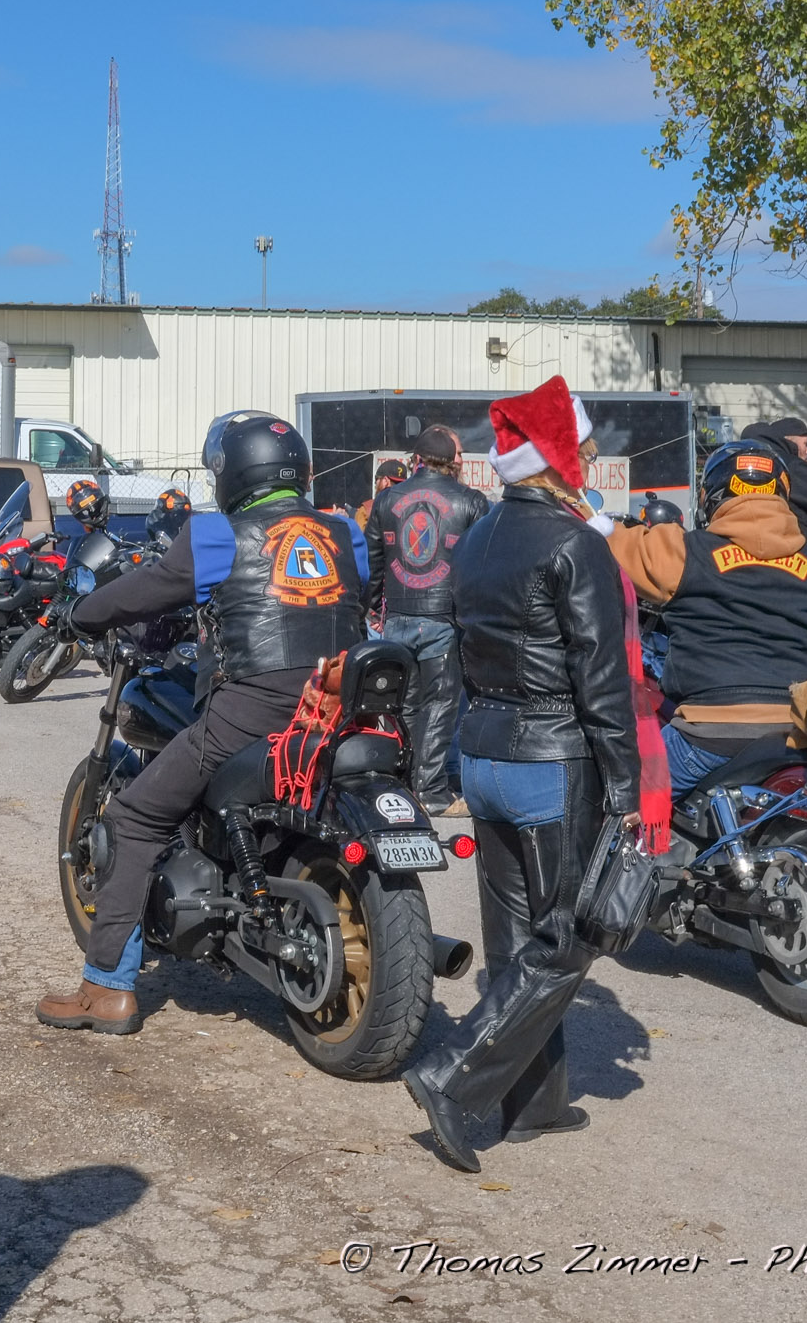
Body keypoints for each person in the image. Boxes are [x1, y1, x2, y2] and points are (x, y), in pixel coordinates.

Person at [34, 412, 367, 1034]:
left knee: (134, 816)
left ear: (232, 473)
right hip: (337, 705)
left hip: (256, 710)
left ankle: (105, 989)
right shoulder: (346, 532)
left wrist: (82, 614)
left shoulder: (218, 534)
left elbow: (146, 589)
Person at [403, 375, 645, 1173]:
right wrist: (625, 788)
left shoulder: (476, 536)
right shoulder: (577, 544)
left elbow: (459, 653)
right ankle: (452, 1076)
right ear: (559, 456)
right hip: (551, 759)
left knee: (516, 942)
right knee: (568, 939)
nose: (592, 463)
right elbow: (602, 680)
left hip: (484, 753)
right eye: (585, 451)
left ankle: (535, 1102)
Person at [606, 440, 807, 795]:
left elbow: (609, 544)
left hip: (708, 732)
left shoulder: (684, 553)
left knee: (617, 797)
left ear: (712, 496)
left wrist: (567, 501)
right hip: (795, 733)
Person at [363, 423, 488, 815]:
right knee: (439, 706)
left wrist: (372, 608)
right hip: (444, 621)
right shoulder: (471, 501)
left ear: (417, 459)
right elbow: (481, 566)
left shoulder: (386, 500)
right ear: (452, 461)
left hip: (397, 618)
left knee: (404, 705)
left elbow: (373, 561)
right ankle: (431, 791)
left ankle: (403, 784)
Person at [744, 416, 807, 535]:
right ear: (789, 441)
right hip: (792, 542)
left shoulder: (756, 458)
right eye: (805, 444)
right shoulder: (785, 464)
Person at [354, 457, 407, 529]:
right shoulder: (412, 508)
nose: (376, 485)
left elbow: (359, 535)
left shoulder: (366, 510)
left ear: (385, 481)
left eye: (376, 480)